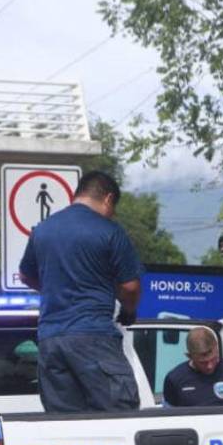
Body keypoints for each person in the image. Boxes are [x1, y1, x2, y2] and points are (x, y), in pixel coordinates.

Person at [18, 171, 142, 413]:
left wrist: (56, 287)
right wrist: (128, 311)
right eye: (113, 207)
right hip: (94, 336)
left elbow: (25, 275)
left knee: (66, 426)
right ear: (107, 198)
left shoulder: (42, 230)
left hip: (51, 341)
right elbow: (130, 286)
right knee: (120, 417)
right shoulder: (110, 231)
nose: (112, 213)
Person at [163, 327, 223, 407]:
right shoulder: (174, 379)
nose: (209, 366)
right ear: (189, 356)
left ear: (217, 349)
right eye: (203, 363)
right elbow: (167, 419)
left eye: (213, 359)